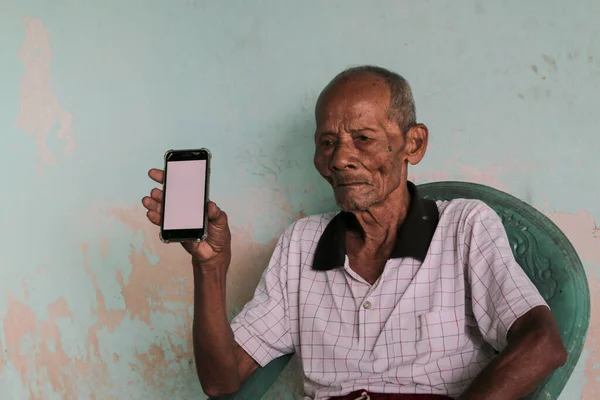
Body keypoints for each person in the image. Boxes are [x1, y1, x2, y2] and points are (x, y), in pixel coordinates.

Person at [141, 65, 567, 400]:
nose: (341, 158)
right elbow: (222, 380)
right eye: (327, 142)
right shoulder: (301, 243)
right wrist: (212, 268)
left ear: (412, 144)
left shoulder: (463, 226)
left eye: (363, 138)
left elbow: (542, 345)